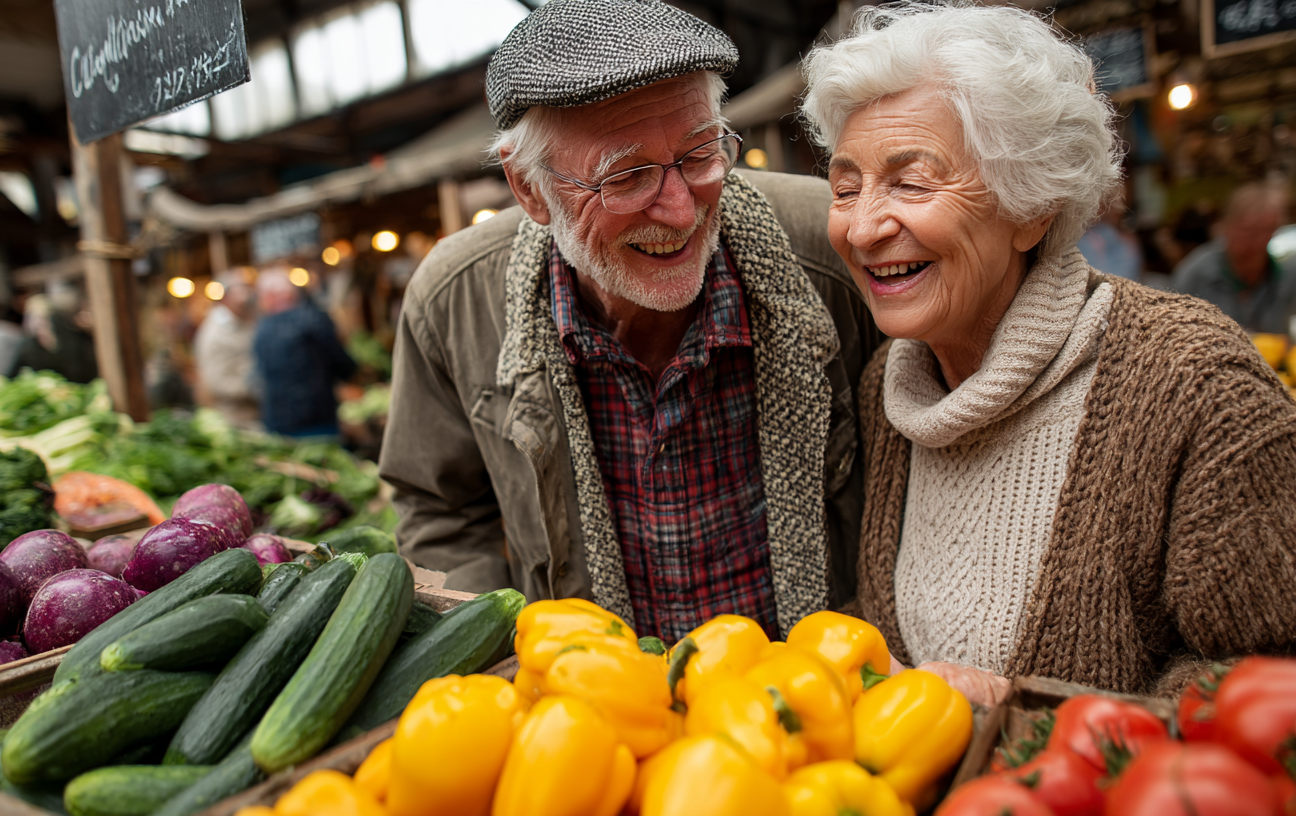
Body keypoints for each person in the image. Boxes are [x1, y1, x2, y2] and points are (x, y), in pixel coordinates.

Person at [801, 2, 1296, 704]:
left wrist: (1024, 713)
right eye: (846, 188)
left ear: (1032, 207)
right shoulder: (891, 386)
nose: (860, 228)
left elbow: (1269, 686)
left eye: (910, 182)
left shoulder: (1197, 384)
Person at [378, 0, 881, 643]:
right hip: (594, 692)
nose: (680, 211)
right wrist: (503, 649)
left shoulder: (835, 244)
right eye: (627, 176)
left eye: (700, 155)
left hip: (823, 682)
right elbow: (440, 509)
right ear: (529, 187)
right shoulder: (456, 298)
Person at [1172, 182, 1296, 334]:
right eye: (1248, 231)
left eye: (1267, 231)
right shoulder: (1195, 274)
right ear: (1225, 226)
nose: (1257, 240)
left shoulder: (1288, 274)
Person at [252, 269, 356, 438]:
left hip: (277, 420)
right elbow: (342, 364)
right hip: (317, 416)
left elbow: (259, 373)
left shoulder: (262, 330)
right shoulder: (313, 319)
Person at [194, 280, 260, 428]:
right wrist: (256, 389)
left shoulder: (246, 322)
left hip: (255, 411)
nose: (247, 306)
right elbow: (216, 381)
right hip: (237, 416)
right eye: (241, 302)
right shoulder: (216, 334)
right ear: (226, 299)